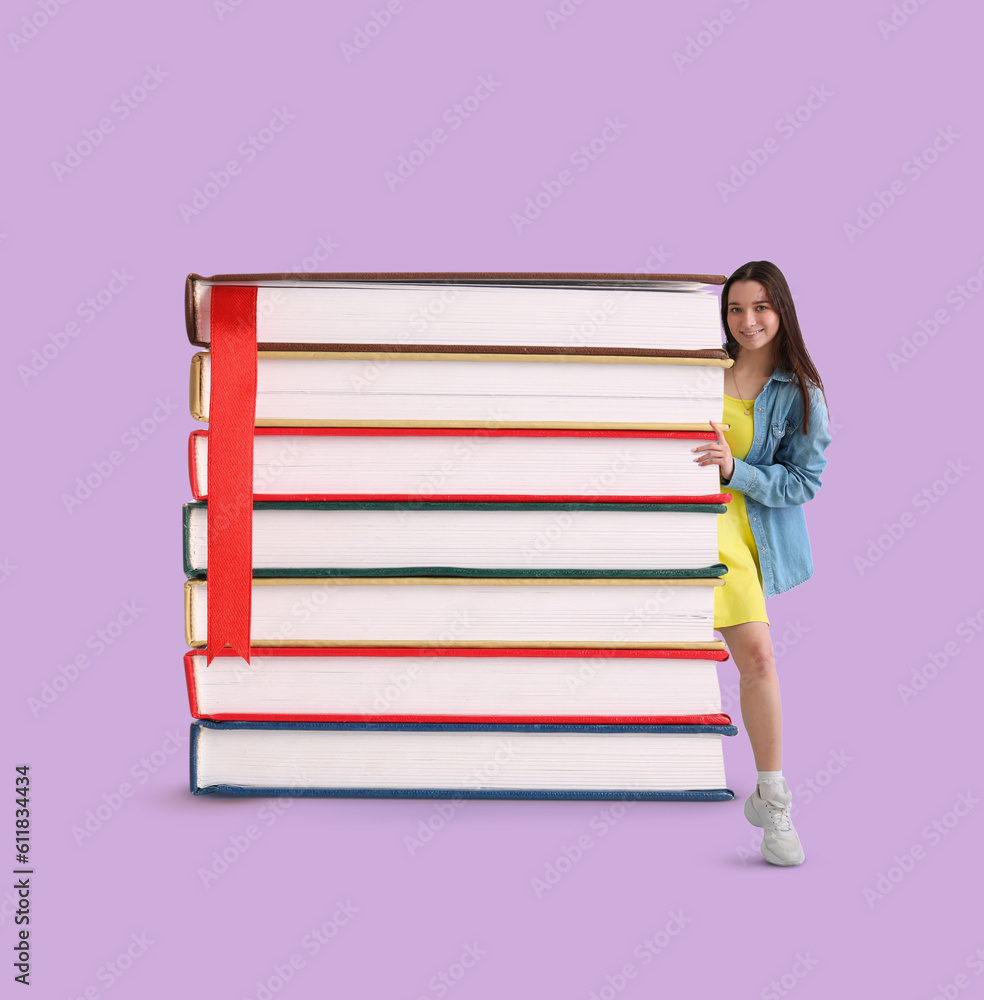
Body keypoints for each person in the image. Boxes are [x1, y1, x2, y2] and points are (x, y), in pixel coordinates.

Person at [692, 261, 831, 866]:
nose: (747, 322)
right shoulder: (695, 366)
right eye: (735, 309)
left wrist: (735, 470)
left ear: (782, 313)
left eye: (761, 308)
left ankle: (772, 799)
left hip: (735, 534)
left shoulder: (800, 391)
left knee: (758, 659)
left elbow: (804, 481)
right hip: (661, 527)